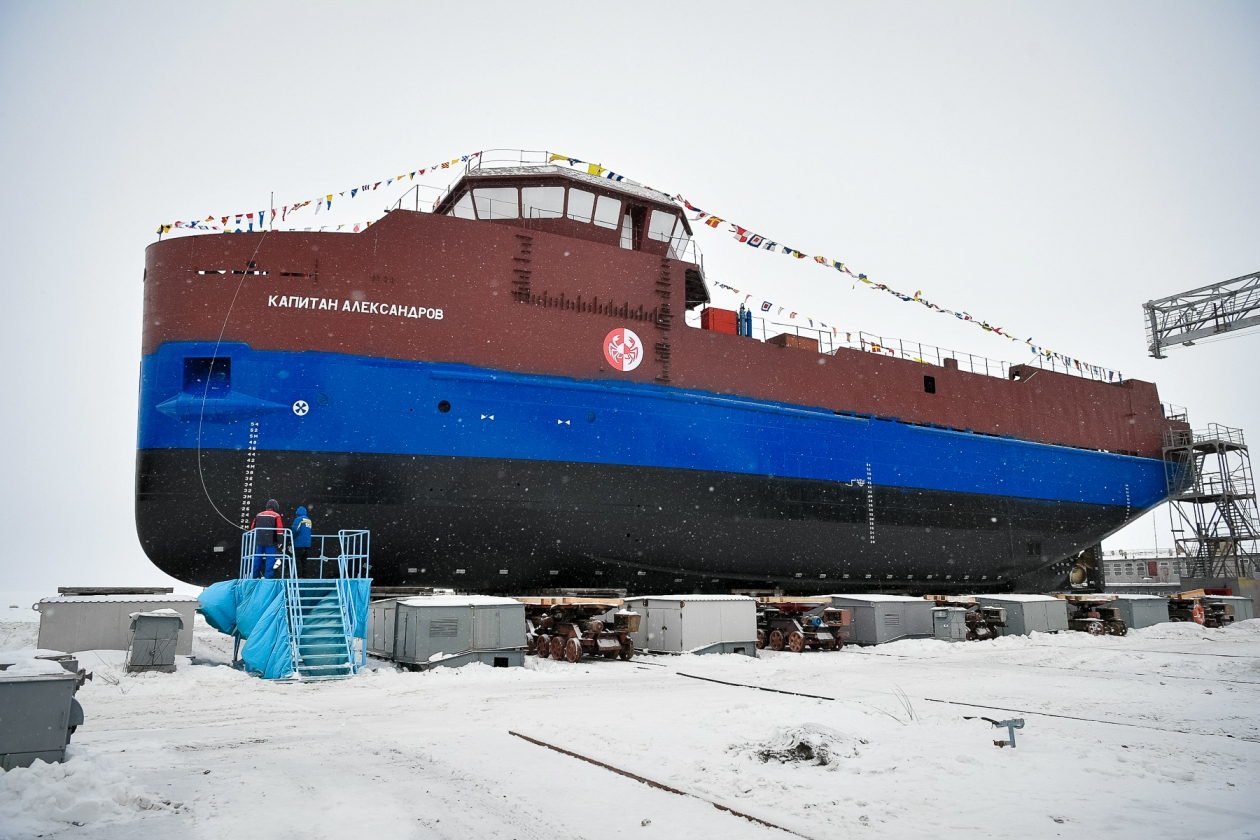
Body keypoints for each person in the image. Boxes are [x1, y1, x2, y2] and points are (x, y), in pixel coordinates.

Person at [250, 499, 285, 579]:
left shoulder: (258, 515)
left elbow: (252, 528)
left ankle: (254, 576)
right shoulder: (276, 515)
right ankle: (268, 577)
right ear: (276, 507)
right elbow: (280, 529)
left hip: (259, 542)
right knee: (270, 559)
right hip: (270, 542)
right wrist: (280, 541)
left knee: (257, 558)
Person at [293, 506, 315, 578]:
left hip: (299, 543)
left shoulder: (298, 519)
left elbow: (295, 530)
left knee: (297, 559)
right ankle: (304, 576)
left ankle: (298, 576)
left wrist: (291, 537)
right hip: (307, 544)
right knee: (304, 560)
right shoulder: (309, 520)